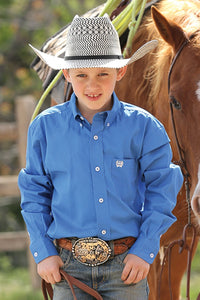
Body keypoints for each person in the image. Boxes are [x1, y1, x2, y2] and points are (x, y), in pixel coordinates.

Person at [18, 14, 183, 300]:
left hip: (126, 267)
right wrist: (43, 252)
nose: (92, 86)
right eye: (81, 75)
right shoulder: (45, 129)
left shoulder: (144, 127)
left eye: (102, 74)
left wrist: (144, 251)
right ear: (67, 75)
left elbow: (163, 190)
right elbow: (34, 194)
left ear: (119, 73)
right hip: (68, 266)